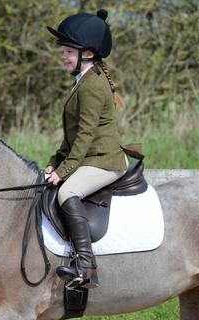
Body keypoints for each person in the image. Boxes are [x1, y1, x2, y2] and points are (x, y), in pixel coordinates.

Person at [45, 9, 129, 288]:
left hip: (105, 161)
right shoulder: (83, 80)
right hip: (90, 157)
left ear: (88, 54)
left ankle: (85, 266)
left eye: (69, 51)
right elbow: (71, 135)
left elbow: (85, 136)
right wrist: (55, 161)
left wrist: (64, 172)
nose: (64, 56)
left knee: (67, 191)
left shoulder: (92, 86)